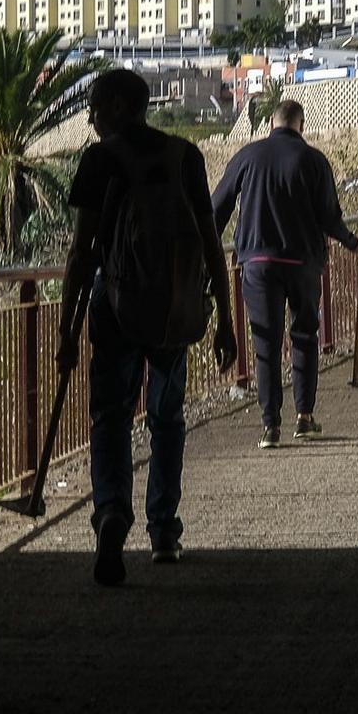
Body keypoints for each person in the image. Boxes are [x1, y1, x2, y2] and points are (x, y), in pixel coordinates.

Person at [57, 71, 235, 585]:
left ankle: (111, 510)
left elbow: (80, 252)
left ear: (115, 106)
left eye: (93, 107)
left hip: (115, 309)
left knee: (110, 418)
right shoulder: (185, 156)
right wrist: (224, 319)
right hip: (175, 309)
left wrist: (67, 329)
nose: (89, 118)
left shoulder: (101, 159)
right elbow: (208, 240)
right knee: (167, 417)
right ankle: (164, 531)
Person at [210, 97, 358, 449]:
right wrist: (353, 243)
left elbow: (216, 209)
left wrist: (205, 254)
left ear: (270, 126)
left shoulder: (246, 157)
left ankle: (269, 427)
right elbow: (330, 218)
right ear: (302, 126)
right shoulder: (314, 160)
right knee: (305, 336)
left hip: (258, 263)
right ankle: (305, 418)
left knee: (266, 342)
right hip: (303, 263)